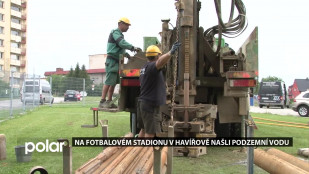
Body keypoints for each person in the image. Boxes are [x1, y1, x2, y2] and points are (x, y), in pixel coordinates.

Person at [137, 42, 181, 138]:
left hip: (144, 103)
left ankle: (138, 150)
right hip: (150, 106)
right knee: (150, 133)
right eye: (159, 55)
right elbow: (160, 62)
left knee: (144, 129)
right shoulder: (152, 67)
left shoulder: (144, 67)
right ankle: (147, 152)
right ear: (157, 56)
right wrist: (170, 52)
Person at [99, 17, 140, 108]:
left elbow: (120, 49)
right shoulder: (115, 32)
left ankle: (109, 101)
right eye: (127, 25)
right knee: (109, 81)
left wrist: (127, 55)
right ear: (120, 24)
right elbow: (121, 44)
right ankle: (102, 101)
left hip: (117, 62)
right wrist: (132, 47)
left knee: (113, 82)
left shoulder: (119, 35)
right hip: (112, 61)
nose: (128, 28)